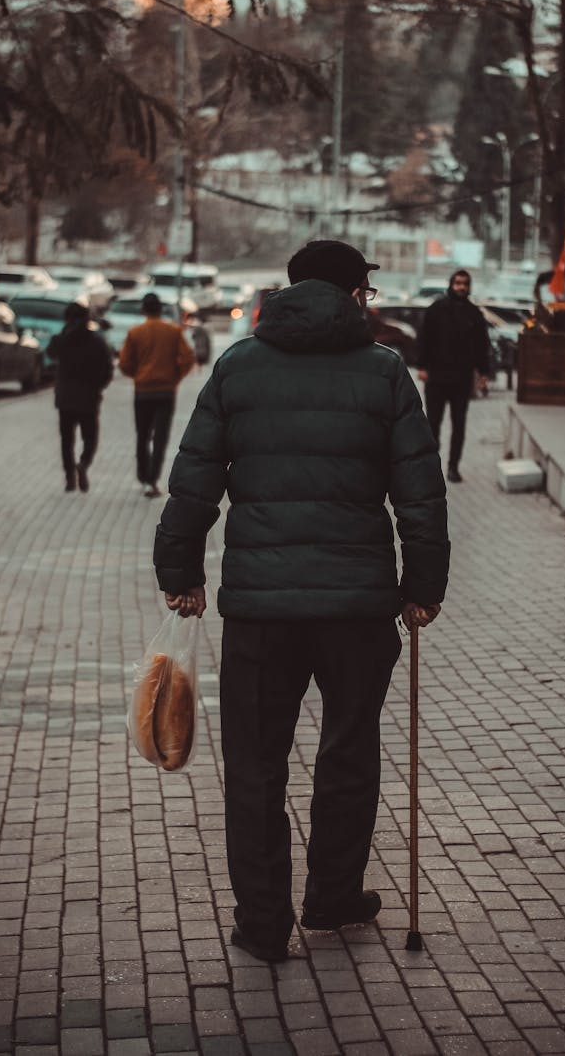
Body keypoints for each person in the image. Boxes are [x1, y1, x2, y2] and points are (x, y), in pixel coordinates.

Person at [153, 239, 450, 963]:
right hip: (356, 609)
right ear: (354, 294)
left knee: (255, 764)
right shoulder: (385, 373)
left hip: (260, 609)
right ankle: (333, 896)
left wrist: (179, 568)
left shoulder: (239, 365)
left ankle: (262, 923)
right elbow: (420, 491)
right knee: (349, 750)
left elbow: (195, 478)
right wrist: (423, 587)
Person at [119, 292, 196, 498]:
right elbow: (188, 357)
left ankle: (143, 477)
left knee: (143, 436)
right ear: (160, 310)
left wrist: (137, 375)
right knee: (160, 437)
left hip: (142, 392)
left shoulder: (135, 332)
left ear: (144, 310)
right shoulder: (172, 331)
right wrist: (175, 377)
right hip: (166, 392)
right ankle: (153, 480)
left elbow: (124, 362)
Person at [416, 269, 490, 483]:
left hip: (461, 379)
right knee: (432, 426)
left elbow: (481, 345)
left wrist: (483, 373)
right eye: (458, 283)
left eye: (465, 283)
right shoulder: (436, 309)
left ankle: (453, 468)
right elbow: (424, 339)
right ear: (451, 284)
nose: (461, 287)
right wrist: (422, 366)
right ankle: (430, 468)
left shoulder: (474, 314)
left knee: (459, 426)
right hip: (436, 377)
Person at [46, 302, 113, 492]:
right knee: (90, 437)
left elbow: (51, 353)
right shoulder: (96, 341)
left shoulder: (62, 339)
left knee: (66, 441)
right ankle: (83, 464)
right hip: (89, 398)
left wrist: (64, 332)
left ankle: (69, 478)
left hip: (65, 398)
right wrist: (98, 387)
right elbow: (108, 369)